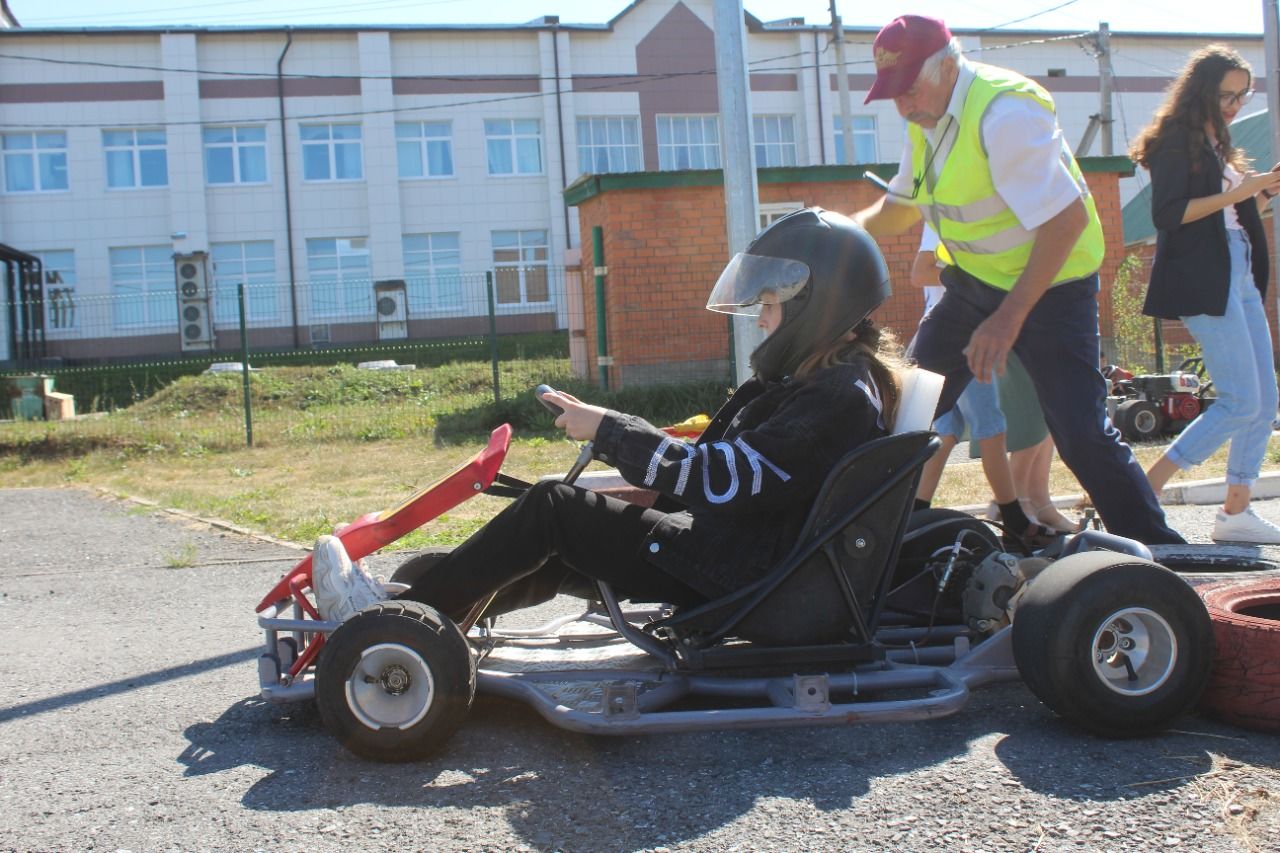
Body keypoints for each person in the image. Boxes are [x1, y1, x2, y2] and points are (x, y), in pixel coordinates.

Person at [312, 208, 904, 624]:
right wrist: (623, 464)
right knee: (561, 535)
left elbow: (719, 478)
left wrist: (609, 429)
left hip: (745, 577)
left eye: (770, 307)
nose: (762, 321)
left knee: (554, 510)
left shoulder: (838, 398)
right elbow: (733, 478)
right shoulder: (830, 385)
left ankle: (386, 622)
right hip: (737, 557)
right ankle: (413, 611)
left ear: (816, 306)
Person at [850, 13, 1183, 544]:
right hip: (972, 287)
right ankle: (862, 548)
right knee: (905, 408)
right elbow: (898, 209)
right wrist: (837, 231)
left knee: (1078, 431)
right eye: (892, 94)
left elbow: (1066, 221)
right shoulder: (927, 122)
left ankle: (1166, 561)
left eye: (909, 89)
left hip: (1054, 290)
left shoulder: (1004, 114)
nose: (903, 105)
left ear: (947, 66)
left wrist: (1007, 320)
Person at [1129, 45, 1280, 544]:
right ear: (1202, 92)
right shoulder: (1177, 138)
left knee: (1264, 401)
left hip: (1236, 270)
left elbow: (1230, 213)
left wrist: (1263, 191)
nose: (1235, 104)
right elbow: (1169, 214)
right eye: (1226, 95)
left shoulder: (1217, 141)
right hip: (1204, 277)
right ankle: (1148, 485)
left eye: (1243, 94)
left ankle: (1236, 513)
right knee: (1239, 400)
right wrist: (1242, 191)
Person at [910, 226, 1058, 543]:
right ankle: (1014, 519)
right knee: (991, 424)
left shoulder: (973, 217)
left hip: (964, 331)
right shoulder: (945, 218)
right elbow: (920, 272)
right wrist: (976, 278)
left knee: (947, 431)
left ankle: (915, 515)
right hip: (955, 335)